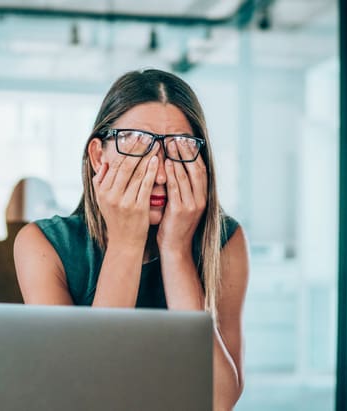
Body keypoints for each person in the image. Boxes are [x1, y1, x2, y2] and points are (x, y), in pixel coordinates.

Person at [13, 69, 249, 410]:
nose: (161, 173)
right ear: (98, 156)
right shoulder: (43, 245)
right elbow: (83, 396)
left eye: (180, 148)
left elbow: (218, 401)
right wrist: (126, 242)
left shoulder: (226, 242)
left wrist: (176, 250)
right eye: (136, 143)